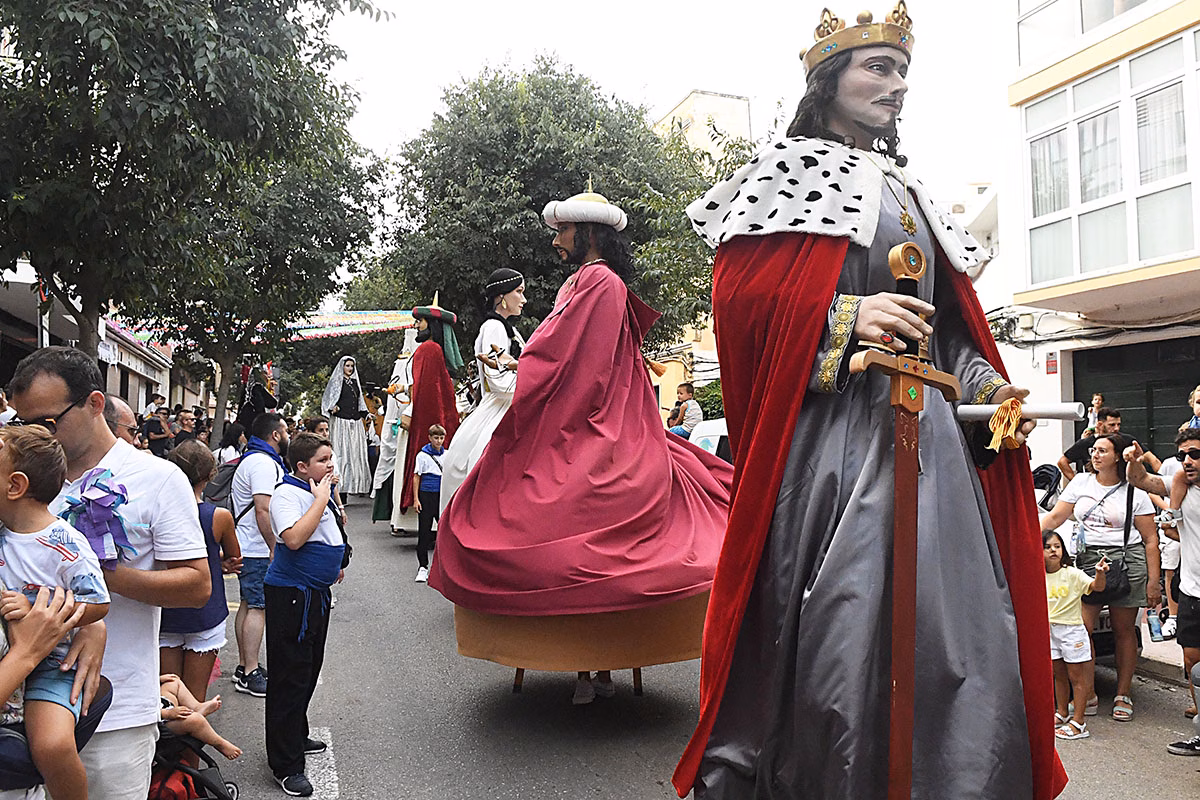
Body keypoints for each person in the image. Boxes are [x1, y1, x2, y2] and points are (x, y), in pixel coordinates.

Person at [670, 6, 1065, 797]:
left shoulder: (912, 191)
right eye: (875, 68)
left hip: (936, 459)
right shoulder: (778, 178)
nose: (895, 84)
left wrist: (988, 386)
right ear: (828, 79)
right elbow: (743, 313)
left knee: (961, 640)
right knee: (834, 633)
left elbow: (950, 331)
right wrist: (847, 318)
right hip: (832, 453)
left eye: (900, 70)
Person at [429, 188, 732, 706]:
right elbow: (563, 350)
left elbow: (568, 354)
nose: (555, 239)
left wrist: (524, 369)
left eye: (562, 230)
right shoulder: (589, 280)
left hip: (601, 421)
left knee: (560, 518)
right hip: (596, 415)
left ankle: (595, 658)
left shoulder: (597, 281)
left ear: (586, 233)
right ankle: (589, 660)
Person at [8, 346, 210, 800]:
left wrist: (98, 582)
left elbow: (197, 586)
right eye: (23, 423)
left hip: (115, 709)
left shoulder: (157, 478)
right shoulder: (18, 478)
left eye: (48, 422)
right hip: (17, 707)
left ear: (95, 404)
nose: (37, 435)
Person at [0, 427, 110, 800]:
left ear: (15, 485)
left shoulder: (65, 543)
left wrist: (40, 611)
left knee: (52, 746)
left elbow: (99, 602)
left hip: (52, 662)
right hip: (17, 662)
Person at [1040, 433, 1158, 724]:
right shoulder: (1081, 482)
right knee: (1082, 628)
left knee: (1123, 629)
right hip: (1090, 559)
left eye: (1103, 451)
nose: (1095, 455)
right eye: (1093, 450)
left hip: (1126, 559)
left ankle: (1122, 693)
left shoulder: (1134, 489)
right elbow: (1055, 517)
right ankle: (1087, 692)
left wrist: (1154, 581)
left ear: (1117, 456)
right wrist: (1030, 537)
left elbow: (1151, 539)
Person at [264, 432, 346, 797]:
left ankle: (296, 734)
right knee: (290, 677)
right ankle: (285, 764)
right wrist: (322, 498)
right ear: (302, 466)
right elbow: (293, 538)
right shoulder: (287, 494)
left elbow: (327, 534)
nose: (330, 465)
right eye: (323, 460)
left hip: (314, 594)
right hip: (292, 596)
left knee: (309, 668)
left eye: (331, 458)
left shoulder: (315, 494)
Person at [1124, 431, 1200, 755]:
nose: (1187, 461)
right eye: (1183, 454)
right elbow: (1142, 480)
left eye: (1194, 453)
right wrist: (1133, 461)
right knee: (1193, 664)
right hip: (1192, 591)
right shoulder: (1180, 484)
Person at [161, 441, 242, 704]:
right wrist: (219, 561)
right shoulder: (218, 516)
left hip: (165, 607)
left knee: (166, 696)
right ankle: (189, 744)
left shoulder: (158, 513)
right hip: (205, 608)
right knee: (195, 699)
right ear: (210, 475)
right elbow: (234, 556)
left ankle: (168, 744)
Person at [438, 269, 526, 511]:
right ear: (502, 297)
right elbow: (498, 379)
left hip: (506, 406)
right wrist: (534, 382)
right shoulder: (493, 328)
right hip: (498, 411)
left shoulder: (507, 329)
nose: (524, 299)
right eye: (519, 292)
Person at [228, 412, 289, 699]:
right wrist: (274, 545)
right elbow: (263, 509)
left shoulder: (254, 459)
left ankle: (244, 666)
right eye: (285, 430)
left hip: (248, 544)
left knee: (248, 604)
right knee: (257, 607)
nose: (288, 435)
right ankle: (250, 671)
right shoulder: (264, 464)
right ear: (275, 435)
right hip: (255, 547)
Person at [398, 299, 463, 513]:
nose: (417, 325)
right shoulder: (433, 350)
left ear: (432, 324)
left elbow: (426, 393)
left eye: (421, 321)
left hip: (423, 420)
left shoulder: (428, 349)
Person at [1043, 529, 1108, 741]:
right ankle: (1062, 712)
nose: (1053, 550)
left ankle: (1079, 722)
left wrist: (1100, 572)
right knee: (1058, 675)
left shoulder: (1072, 573)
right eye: (1047, 547)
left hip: (1072, 631)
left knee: (1077, 677)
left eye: (1057, 546)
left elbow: (1097, 587)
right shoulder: (1037, 575)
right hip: (1050, 630)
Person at [370, 328, 418, 533]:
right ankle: (396, 518)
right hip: (402, 424)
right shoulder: (402, 364)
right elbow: (396, 397)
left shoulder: (424, 359)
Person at [319, 357, 371, 497]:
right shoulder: (337, 382)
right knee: (342, 455)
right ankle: (339, 491)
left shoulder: (355, 383)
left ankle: (354, 486)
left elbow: (360, 402)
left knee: (355, 455)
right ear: (342, 367)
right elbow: (328, 401)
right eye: (347, 366)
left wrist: (366, 414)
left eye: (352, 366)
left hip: (355, 422)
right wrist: (332, 408)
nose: (350, 368)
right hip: (342, 422)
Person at [157, 673, 241, 760]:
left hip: (160, 703)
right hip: (157, 720)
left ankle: (197, 707)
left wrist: (158, 679)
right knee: (196, 720)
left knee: (173, 682)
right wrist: (166, 713)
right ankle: (219, 743)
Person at [412, 424, 446, 583]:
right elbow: (416, 477)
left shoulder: (447, 454)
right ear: (430, 438)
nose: (439, 441)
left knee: (445, 531)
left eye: (441, 438)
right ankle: (423, 567)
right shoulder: (422, 455)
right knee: (424, 532)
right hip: (426, 495)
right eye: (436, 438)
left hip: (441, 495)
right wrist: (416, 499)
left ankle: (444, 566)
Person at [1058, 407, 1122, 484]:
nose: (1116, 428)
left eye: (1118, 424)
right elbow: (1062, 462)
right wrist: (1076, 482)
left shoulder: (1125, 440)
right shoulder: (1085, 443)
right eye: (1112, 425)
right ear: (1100, 424)